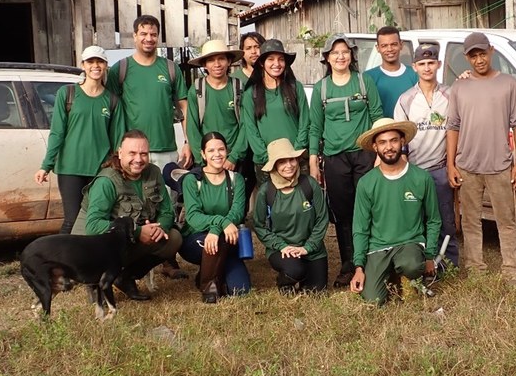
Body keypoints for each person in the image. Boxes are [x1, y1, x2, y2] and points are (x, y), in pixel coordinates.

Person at [106, 14, 191, 279]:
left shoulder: (170, 69)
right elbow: (109, 106)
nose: (148, 38)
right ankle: (131, 260)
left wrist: (187, 142)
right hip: (133, 153)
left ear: (158, 36)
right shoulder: (120, 69)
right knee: (133, 205)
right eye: (143, 33)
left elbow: (185, 106)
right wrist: (117, 149)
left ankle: (167, 260)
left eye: (153, 34)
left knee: (166, 205)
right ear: (135, 36)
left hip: (166, 147)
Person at [446, 32, 516, 287]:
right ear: (466, 58)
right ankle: (476, 267)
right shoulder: (459, 86)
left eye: (482, 53)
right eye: (473, 56)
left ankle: (511, 268)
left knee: (507, 220)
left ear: (491, 51)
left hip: (500, 165)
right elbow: (453, 126)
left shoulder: (508, 83)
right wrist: (450, 163)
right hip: (467, 165)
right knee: (470, 220)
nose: (479, 60)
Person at [71, 129, 181, 301]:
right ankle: (95, 281)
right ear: (120, 153)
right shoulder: (106, 181)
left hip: (122, 239)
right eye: (132, 153)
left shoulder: (153, 172)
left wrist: (160, 228)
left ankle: (125, 277)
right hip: (92, 244)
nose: (138, 159)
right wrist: (138, 232)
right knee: (97, 256)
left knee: (173, 238)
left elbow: (167, 211)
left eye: (143, 153)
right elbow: (92, 226)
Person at [309, 34, 383, 287]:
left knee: (368, 210)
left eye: (344, 52)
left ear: (351, 55)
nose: (340, 57)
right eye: (334, 53)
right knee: (343, 215)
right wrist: (312, 162)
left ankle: (371, 262)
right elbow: (314, 128)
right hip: (334, 157)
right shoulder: (322, 88)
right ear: (327, 58)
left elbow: (377, 118)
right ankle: (348, 264)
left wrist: (378, 155)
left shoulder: (364, 82)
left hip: (364, 154)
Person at [350, 118, 441, 305]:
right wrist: (359, 267)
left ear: (402, 142)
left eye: (393, 140)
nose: (389, 147)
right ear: (375, 147)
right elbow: (360, 227)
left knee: (412, 265)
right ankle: (390, 276)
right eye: (382, 142)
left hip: (410, 243)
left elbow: (433, 220)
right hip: (378, 247)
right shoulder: (366, 183)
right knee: (373, 300)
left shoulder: (421, 178)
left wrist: (430, 256)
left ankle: (408, 276)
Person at [35, 45, 124, 233]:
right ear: (83, 65)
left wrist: (118, 167)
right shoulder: (67, 94)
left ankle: (92, 261)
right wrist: (46, 165)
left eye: (99, 61)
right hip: (70, 169)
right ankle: (61, 261)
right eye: (90, 62)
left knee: (97, 219)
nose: (95, 66)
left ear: (106, 65)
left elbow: (118, 139)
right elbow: (57, 133)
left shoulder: (112, 100)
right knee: (72, 220)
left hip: (100, 169)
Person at [394, 43, 459, 267]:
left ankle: (449, 263)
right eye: (422, 64)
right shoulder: (406, 99)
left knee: (444, 219)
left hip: (441, 168)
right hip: (415, 169)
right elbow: (399, 139)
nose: (427, 68)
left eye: (431, 63)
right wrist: (404, 172)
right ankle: (422, 263)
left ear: (438, 64)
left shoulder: (450, 94)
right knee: (416, 219)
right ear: (414, 67)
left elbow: (457, 128)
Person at [179, 132, 250, 303]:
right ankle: (208, 286)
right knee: (215, 242)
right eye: (211, 151)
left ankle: (209, 271)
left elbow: (238, 212)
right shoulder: (192, 180)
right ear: (203, 154)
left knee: (240, 289)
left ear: (226, 151)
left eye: (221, 149)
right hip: (196, 238)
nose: (217, 154)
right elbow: (194, 216)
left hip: (228, 238)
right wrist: (221, 222)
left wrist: (217, 228)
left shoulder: (236, 179)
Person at [253, 138, 328, 293]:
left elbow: (322, 219)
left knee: (316, 291)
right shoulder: (266, 192)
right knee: (295, 270)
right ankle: (284, 281)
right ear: (274, 165)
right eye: (282, 162)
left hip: (311, 250)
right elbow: (260, 226)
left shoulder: (309, 184)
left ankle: (305, 271)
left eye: (291, 159)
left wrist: (308, 247)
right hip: (282, 249)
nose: (289, 166)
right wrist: (282, 246)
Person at [243, 39, 310, 185]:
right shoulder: (251, 93)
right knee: (272, 205)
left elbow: (305, 121)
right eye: (271, 59)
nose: (276, 64)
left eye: (281, 59)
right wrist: (265, 156)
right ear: (262, 63)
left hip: (295, 159)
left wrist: (296, 152)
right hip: (266, 162)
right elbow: (250, 128)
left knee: (302, 203)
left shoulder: (295, 87)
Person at [186, 40, 247, 171]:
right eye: (211, 60)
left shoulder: (238, 87)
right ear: (204, 64)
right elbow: (192, 128)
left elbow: (245, 125)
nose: (217, 64)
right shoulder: (197, 89)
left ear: (229, 61)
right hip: (208, 159)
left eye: (221, 59)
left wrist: (233, 157)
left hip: (233, 158)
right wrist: (202, 160)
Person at [231, 31, 266, 208]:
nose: (253, 51)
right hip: (244, 143)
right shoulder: (236, 80)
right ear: (242, 52)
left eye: (257, 47)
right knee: (243, 188)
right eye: (248, 48)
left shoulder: (271, 74)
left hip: (265, 142)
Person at [364, 26, 417, 117]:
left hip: (410, 129)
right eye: (384, 46)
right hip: (381, 129)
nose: (389, 49)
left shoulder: (415, 74)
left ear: (401, 45)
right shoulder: (368, 77)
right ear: (378, 48)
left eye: (394, 44)